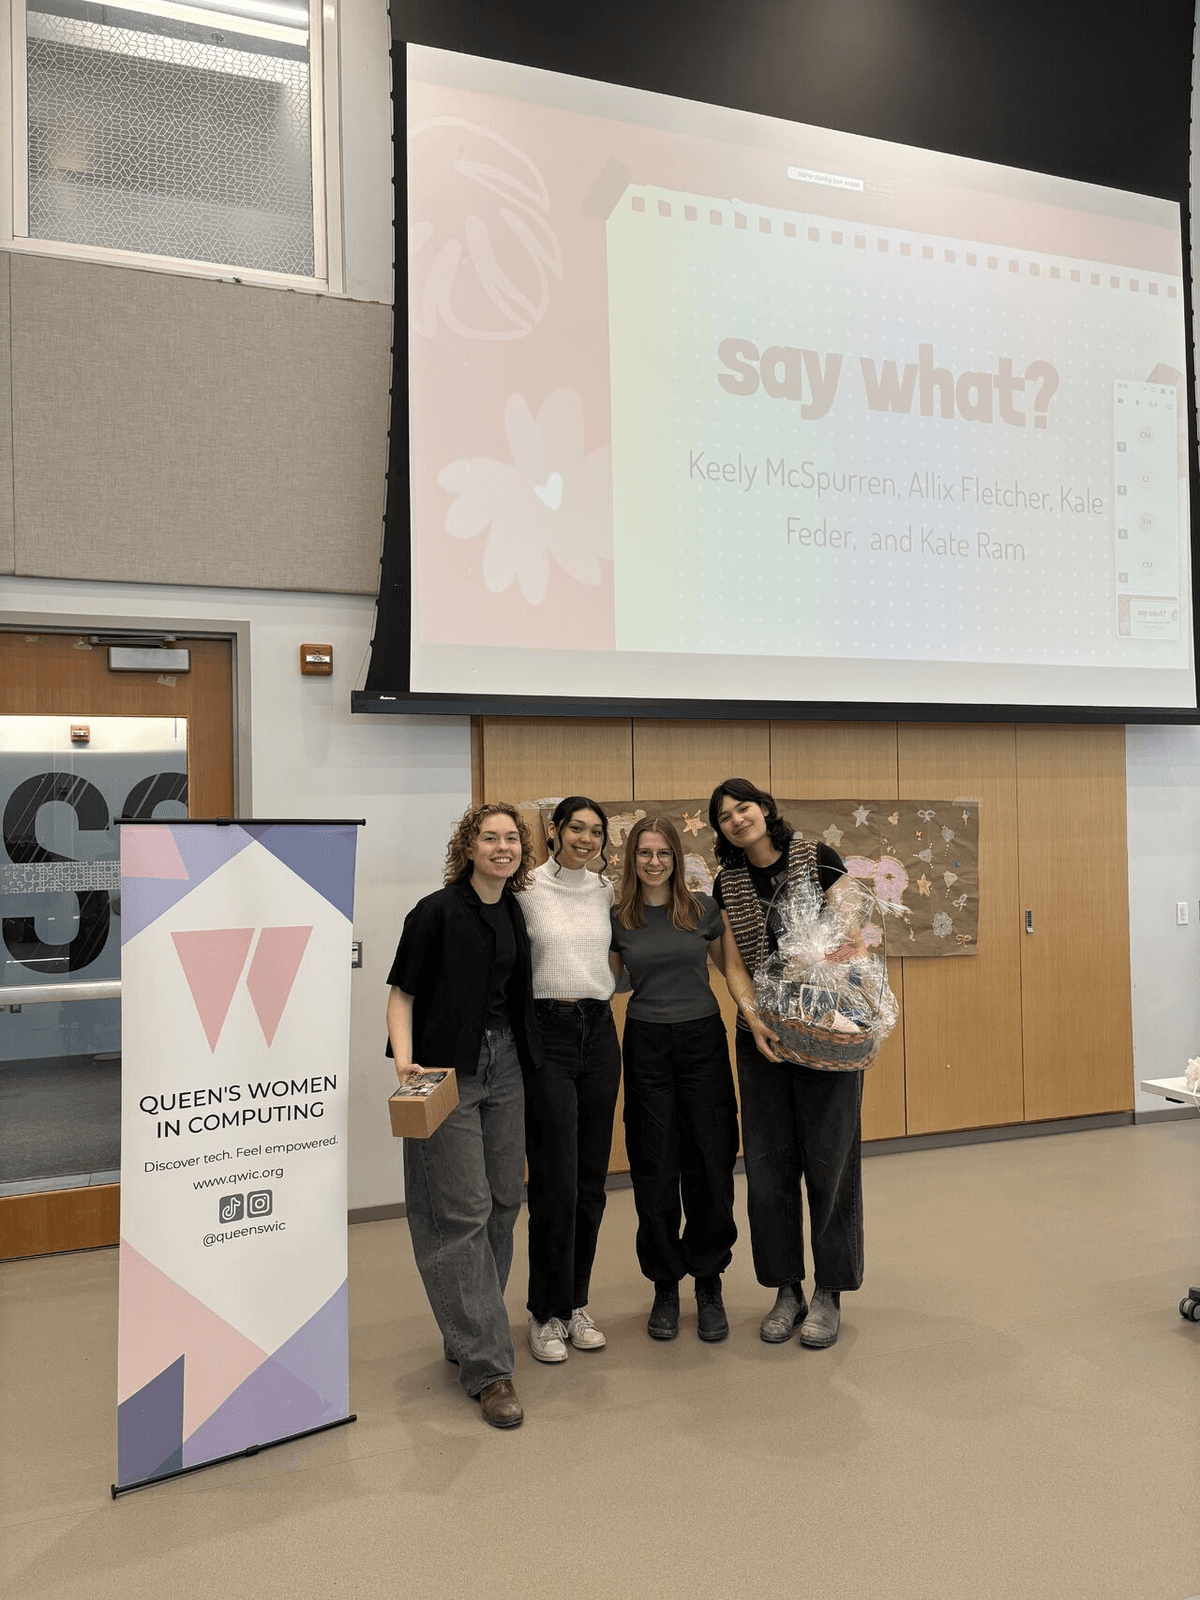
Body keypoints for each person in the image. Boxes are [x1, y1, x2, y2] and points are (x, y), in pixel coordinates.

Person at [385, 802, 542, 1428]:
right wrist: (405, 1063)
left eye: (512, 839)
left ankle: (469, 1329)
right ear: (468, 846)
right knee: (461, 1213)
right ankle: (488, 1367)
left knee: (504, 1200)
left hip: (507, 1067)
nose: (502, 847)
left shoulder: (514, 911)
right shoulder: (434, 912)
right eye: (490, 837)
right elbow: (402, 994)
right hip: (447, 1071)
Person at [708, 777, 863, 1350]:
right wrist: (757, 1020)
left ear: (766, 809)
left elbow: (851, 931)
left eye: (743, 806)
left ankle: (829, 1292)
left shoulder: (816, 857)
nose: (736, 819)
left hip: (825, 1029)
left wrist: (845, 963)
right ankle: (786, 1288)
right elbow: (733, 967)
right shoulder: (727, 883)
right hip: (763, 1040)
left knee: (831, 1160)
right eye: (724, 816)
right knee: (770, 1168)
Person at [609, 815, 739, 1343]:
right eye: (645, 853)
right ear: (632, 859)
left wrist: (759, 1018)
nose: (655, 862)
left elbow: (732, 972)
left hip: (702, 1041)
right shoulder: (618, 915)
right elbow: (610, 981)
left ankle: (708, 1280)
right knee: (654, 1164)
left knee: (710, 1161)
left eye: (663, 853)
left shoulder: (704, 909)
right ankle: (665, 1282)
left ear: (678, 857)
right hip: (646, 1046)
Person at [517, 797, 621, 1363]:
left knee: (590, 1180)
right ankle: (544, 1312)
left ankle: (576, 1302)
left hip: (599, 1033)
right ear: (554, 831)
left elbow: (620, 956)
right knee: (554, 1179)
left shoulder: (605, 891)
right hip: (547, 1033)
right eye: (575, 828)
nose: (585, 838)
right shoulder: (526, 887)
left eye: (595, 831)